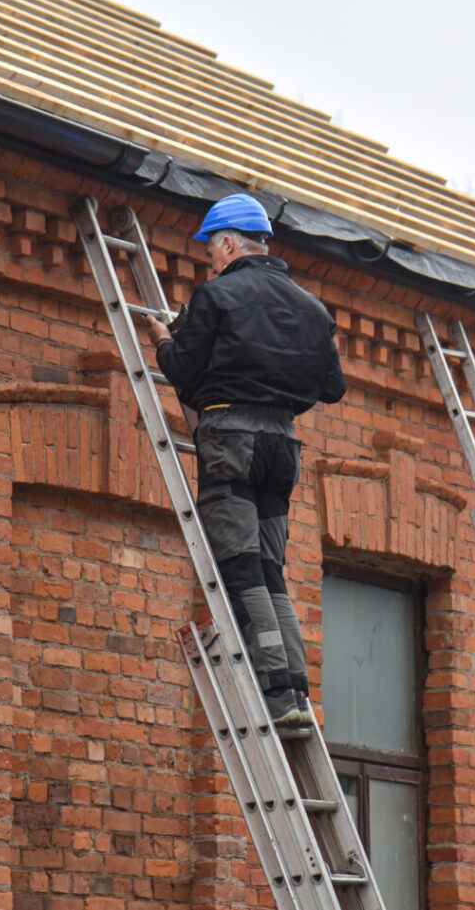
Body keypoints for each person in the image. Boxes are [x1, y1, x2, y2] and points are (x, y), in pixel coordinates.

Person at [147, 192, 346, 727]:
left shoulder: (218, 297)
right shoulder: (313, 310)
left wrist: (167, 340)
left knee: (239, 567)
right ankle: (298, 691)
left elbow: (183, 375)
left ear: (230, 243)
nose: (210, 259)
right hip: (282, 447)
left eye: (212, 249)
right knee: (270, 567)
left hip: (230, 439)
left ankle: (277, 693)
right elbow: (332, 387)